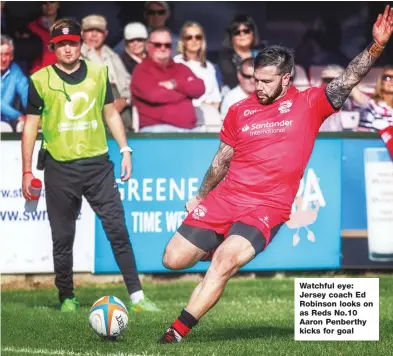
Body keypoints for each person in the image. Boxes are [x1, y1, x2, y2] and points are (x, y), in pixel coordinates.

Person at [158, 5, 393, 343]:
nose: (259, 87)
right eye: (256, 80)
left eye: (267, 81)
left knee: (223, 263)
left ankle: (176, 332)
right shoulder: (240, 109)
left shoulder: (311, 102)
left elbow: (349, 78)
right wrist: (201, 196)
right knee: (173, 259)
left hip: (265, 207)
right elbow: (221, 160)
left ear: (286, 78)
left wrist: (376, 47)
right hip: (226, 197)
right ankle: (222, 239)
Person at [21, 18, 159, 313]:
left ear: (80, 44)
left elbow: (110, 114)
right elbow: (31, 128)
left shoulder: (98, 72)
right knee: (63, 236)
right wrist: (26, 170)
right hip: (59, 167)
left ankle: (137, 297)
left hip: (98, 165)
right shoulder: (40, 79)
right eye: (62, 45)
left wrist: (125, 149)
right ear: (53, 47)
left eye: (72, 43)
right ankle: (67, 296)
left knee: (117, 230)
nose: (68, 49)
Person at [1, 34, 28, 132]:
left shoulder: (15, 71)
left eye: (7, 54)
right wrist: (18, 115)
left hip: (8, 121)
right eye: (0, 54)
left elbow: (26, 92)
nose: (3, 59)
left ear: (12, 56)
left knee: (27, 126)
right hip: (8, 121)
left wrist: (34, 114)